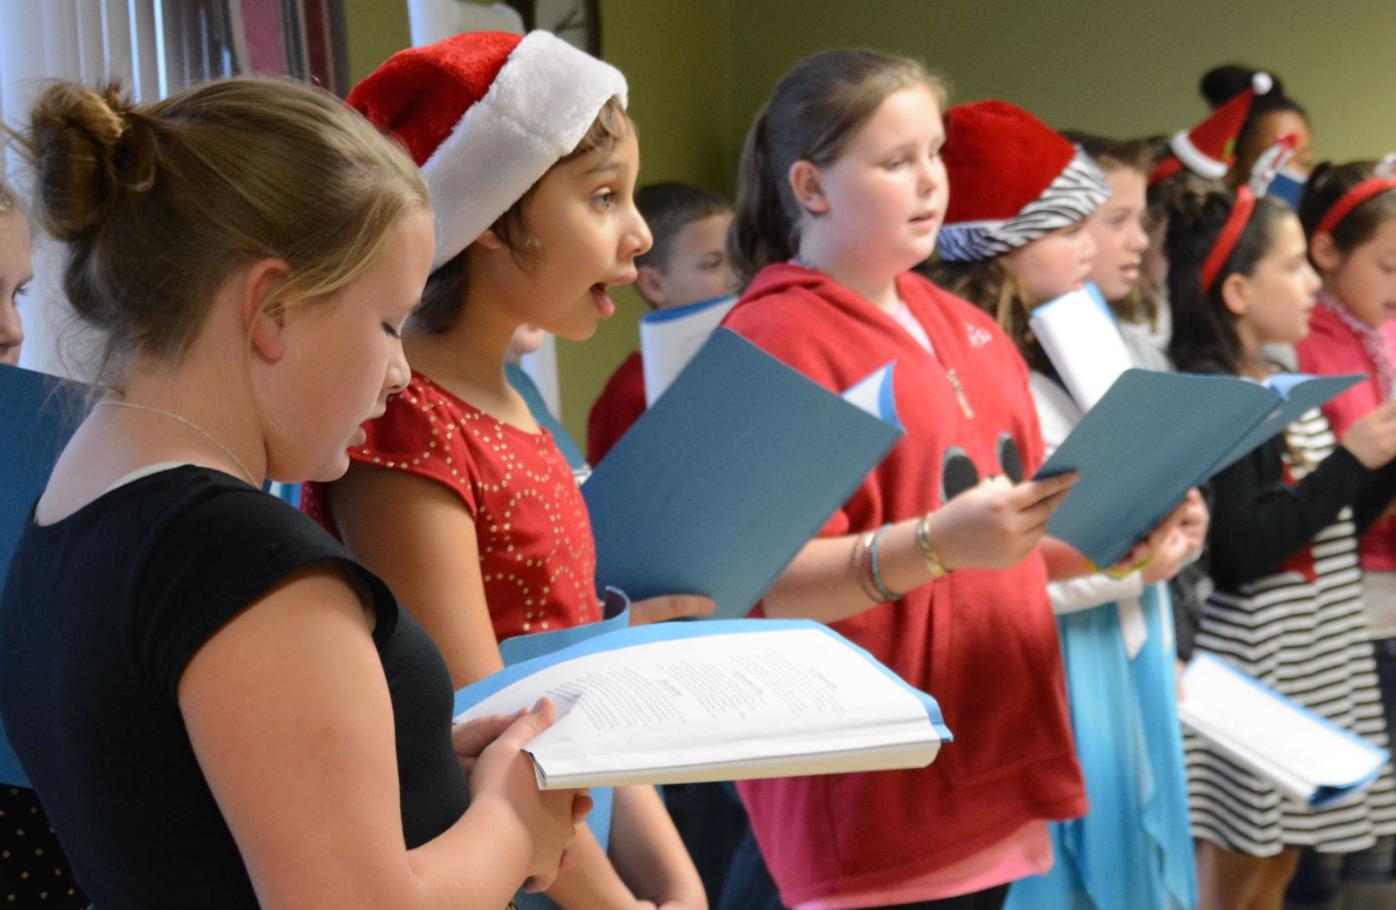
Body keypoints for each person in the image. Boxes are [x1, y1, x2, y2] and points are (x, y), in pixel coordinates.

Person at [0, 77, 585, 909]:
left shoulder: (69, 513)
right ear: (271, 307)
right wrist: (510, 821)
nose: (397, 374)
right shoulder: (243, 564)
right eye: (388, 323)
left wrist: (423, 765)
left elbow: (186, 819)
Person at [717, 47, 1161, 909]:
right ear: (810, 187)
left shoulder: (970, 328)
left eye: (935, 156)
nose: (930, 184)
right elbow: (755, 587)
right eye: (895, 162)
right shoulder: (774, 341)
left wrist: (1114, 536)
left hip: (993, 756)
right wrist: (934, 545)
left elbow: (1009, 546)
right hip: (873, 787)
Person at [301, 31, 708, 910]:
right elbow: (487, 716)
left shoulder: (517, 402)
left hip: (575, 858)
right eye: (603, 198)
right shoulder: (406, 423)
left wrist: (675, 882)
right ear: (490, 215)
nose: (638, 233)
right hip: (499, 870)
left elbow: (582, 688)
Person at [927, 101, 1199, 910]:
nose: (1092, 246)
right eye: (1069, 226)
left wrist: (1173, 519)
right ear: (1002, 241)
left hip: (1117, 644)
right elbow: (988, 568)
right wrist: (1137, 558)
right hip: (1049, 661)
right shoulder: (970, 373)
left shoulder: (1066, 348)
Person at [1166, 183, 1396, 910]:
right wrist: (1352, 460)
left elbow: (1327, 533)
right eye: (1295, 267)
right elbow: (1243, 550)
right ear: (1237, 290)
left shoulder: (1269, 377)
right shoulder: (1215, 393)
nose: (1312, 283)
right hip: (1256, 673)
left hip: (1311, 658)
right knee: (1234, 883)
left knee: (1277, 874)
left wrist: (1379, 464)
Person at [1287, 158, 1396, 910]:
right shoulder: (1306, 343)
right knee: (1349, 822)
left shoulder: (1385, 327)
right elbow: (1317, 487)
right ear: (1326, 253)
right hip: (1346, 599)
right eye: (1390, 265)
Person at [586, 182, 738, 464]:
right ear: (654, 285)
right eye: (712, 264)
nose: (736, 276)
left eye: (738, 258)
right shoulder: (627, 395)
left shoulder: (741, 363)